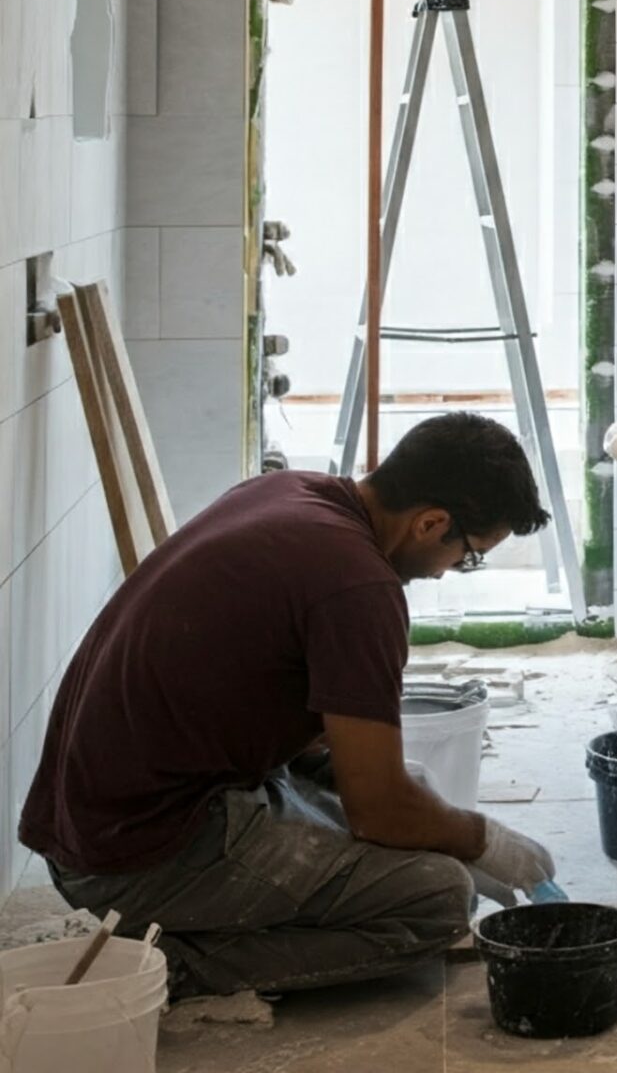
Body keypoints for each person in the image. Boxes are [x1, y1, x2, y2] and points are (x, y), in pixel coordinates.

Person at [18, 414, 557, 1001]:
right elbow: (379, 813)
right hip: (135, 858)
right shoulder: (359, 589)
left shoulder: (287, 491)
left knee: (407, 794)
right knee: (437, 896)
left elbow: (306, 731)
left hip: (100, 816)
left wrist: (415, 809)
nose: (455, 571)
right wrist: (483, 840)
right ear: (431, 523)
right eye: (469, 555)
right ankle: (171, 964)